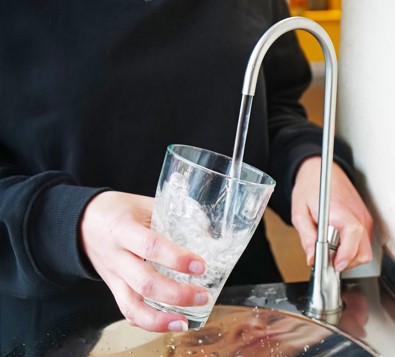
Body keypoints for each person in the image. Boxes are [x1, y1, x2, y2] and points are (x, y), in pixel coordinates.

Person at [0, 0, 373, 354]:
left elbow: (273, 107)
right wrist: (74, 222)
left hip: (244, 319)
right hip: (65, 329)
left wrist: (310, 165)